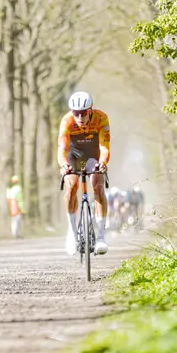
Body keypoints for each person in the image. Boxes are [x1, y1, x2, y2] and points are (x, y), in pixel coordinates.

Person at [57, 90, 110, 256]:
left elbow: (104, 146)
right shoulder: (67, 121)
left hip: (93, 155)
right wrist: (64, 165)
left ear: (90, 110)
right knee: (71, 186)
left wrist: (103, 163)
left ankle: (101, 237)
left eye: (84, 113)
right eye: (76, 113)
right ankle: (72, 233)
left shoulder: (101, 118)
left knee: (98, 186)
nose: (80, 117)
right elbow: (62, 149)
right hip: (73, 155)